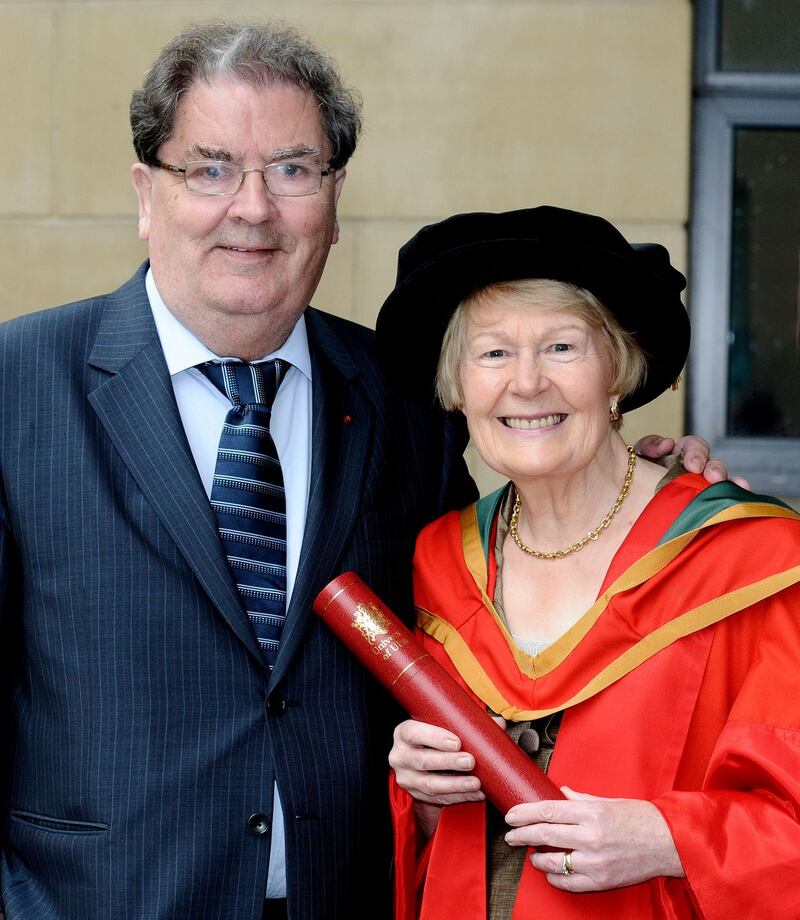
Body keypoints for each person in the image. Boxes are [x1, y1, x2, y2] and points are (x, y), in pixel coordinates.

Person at [0, 21, 729, 920]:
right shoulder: (18, 386)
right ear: (147, 192)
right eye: (212, 167)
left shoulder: (404, 397)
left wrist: (644, 493)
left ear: (334, 201)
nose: (254, 207)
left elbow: (494, 599)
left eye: (294, 169)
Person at [379, 206, 800, 920]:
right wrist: (420, 792)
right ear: (459, 389)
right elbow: (442, 848)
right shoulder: (443, 563)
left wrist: (671, 839)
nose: (527, 382)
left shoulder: (752, 562)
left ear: (619, 373)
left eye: (562, 348)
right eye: (492, 353)